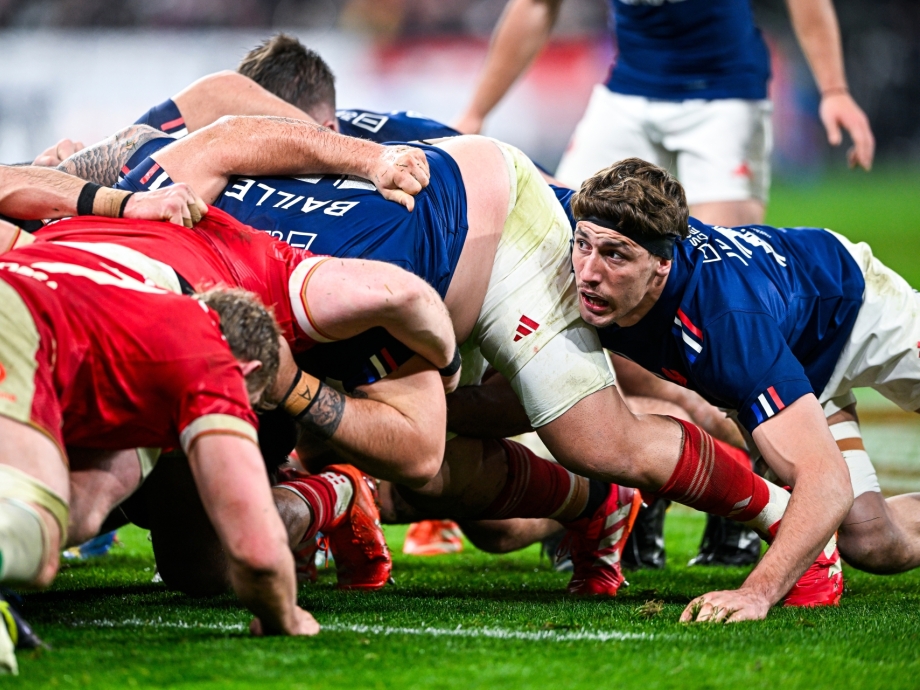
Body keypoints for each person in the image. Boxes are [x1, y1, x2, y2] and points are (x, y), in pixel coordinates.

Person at [57, 111, 845, 618]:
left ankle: (784, 526)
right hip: (368, 270)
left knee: (588, 439)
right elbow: (61, 176)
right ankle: (335, 496)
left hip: (484, 231)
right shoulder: (116, 206)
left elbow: (421, 443)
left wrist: (310, 386)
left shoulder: (330, 287)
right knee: (201, 561)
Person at [452, 0, 875, 568]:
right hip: (626, 94)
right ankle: (632, 489)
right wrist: (476, 113)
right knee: (579, 279)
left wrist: (834, 89)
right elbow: (536, 6)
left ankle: (752, 505)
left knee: (725, 306)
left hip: (725, 94)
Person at [568, 156, 920, 620]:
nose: (588, 272)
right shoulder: (582, 238)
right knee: (872, 541)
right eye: (582, 245)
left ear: (661, 265)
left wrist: (756, 593)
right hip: (788, 358)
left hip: (855, 307)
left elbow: (827, 481)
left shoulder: (725, 325)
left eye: (615, 254)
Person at [0, 241, 320, 675]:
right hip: (16, 322)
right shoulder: (212, 358)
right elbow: (257, 555)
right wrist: (286, 616)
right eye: (249, 404)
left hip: (21, 298)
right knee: (33, 526)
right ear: (244, 372)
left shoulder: (135, 290)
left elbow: (87, 507)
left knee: (54, 518)